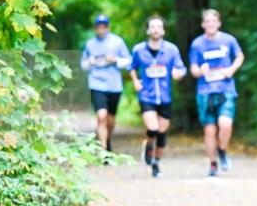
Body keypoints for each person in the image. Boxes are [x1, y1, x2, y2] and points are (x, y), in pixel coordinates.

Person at [129, 15, 187, 178]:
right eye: (152, 26)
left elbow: (182, 68)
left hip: (165, 97)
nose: (155, 29)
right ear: (148, 30)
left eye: (158, 26)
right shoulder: (139, 50)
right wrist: (135, 81)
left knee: (162, 135)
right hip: (147, 96)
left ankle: (155, 163)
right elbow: (132, 67)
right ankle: (148, 147)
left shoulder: (171, 49)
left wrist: (179, 73)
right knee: (153, 129)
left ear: (163, 30)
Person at [189, 9, 244, 177]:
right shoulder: (197, 44)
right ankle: (213, 163)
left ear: (218, 23)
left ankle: (223, 150)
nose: (210, 24)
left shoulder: (229, 40)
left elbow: (240, 56)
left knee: (225, 124)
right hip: (205, 91)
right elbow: (193, 68)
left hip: (225, 89)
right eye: (207, 21)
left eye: (213, 21)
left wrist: (231, 70)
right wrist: (200, 71)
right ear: (203, 24)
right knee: (210, 131)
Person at [80, 14, 132, 154]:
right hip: (96, 83)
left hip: (114, 84)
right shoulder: (90, 44)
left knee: (110, 118)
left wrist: (115, 60)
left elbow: (129, 61)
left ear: (108, 27)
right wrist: (90, 62)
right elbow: (83, 65)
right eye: (98, 26)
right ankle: (103, 151)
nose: (101, 29)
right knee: (101, 115)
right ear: (95, 28)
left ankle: (107, 141)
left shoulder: (117, 42)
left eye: (104, 26)